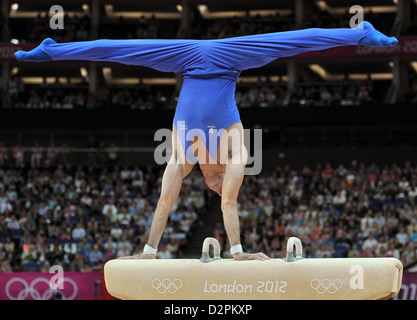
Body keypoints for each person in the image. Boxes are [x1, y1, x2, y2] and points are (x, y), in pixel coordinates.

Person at [15, 21, 397, 261]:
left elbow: (168, 202)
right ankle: (50, 48)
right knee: (117, 49)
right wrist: (238, 253)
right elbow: (228, 201)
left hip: (193, 60)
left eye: (212, 183)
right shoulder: (237, 153)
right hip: (223, 59)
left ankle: (361, 32)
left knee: (124, 50)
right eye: (215, 184)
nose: (215, 185)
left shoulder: (182, 159)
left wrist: (150, 251)